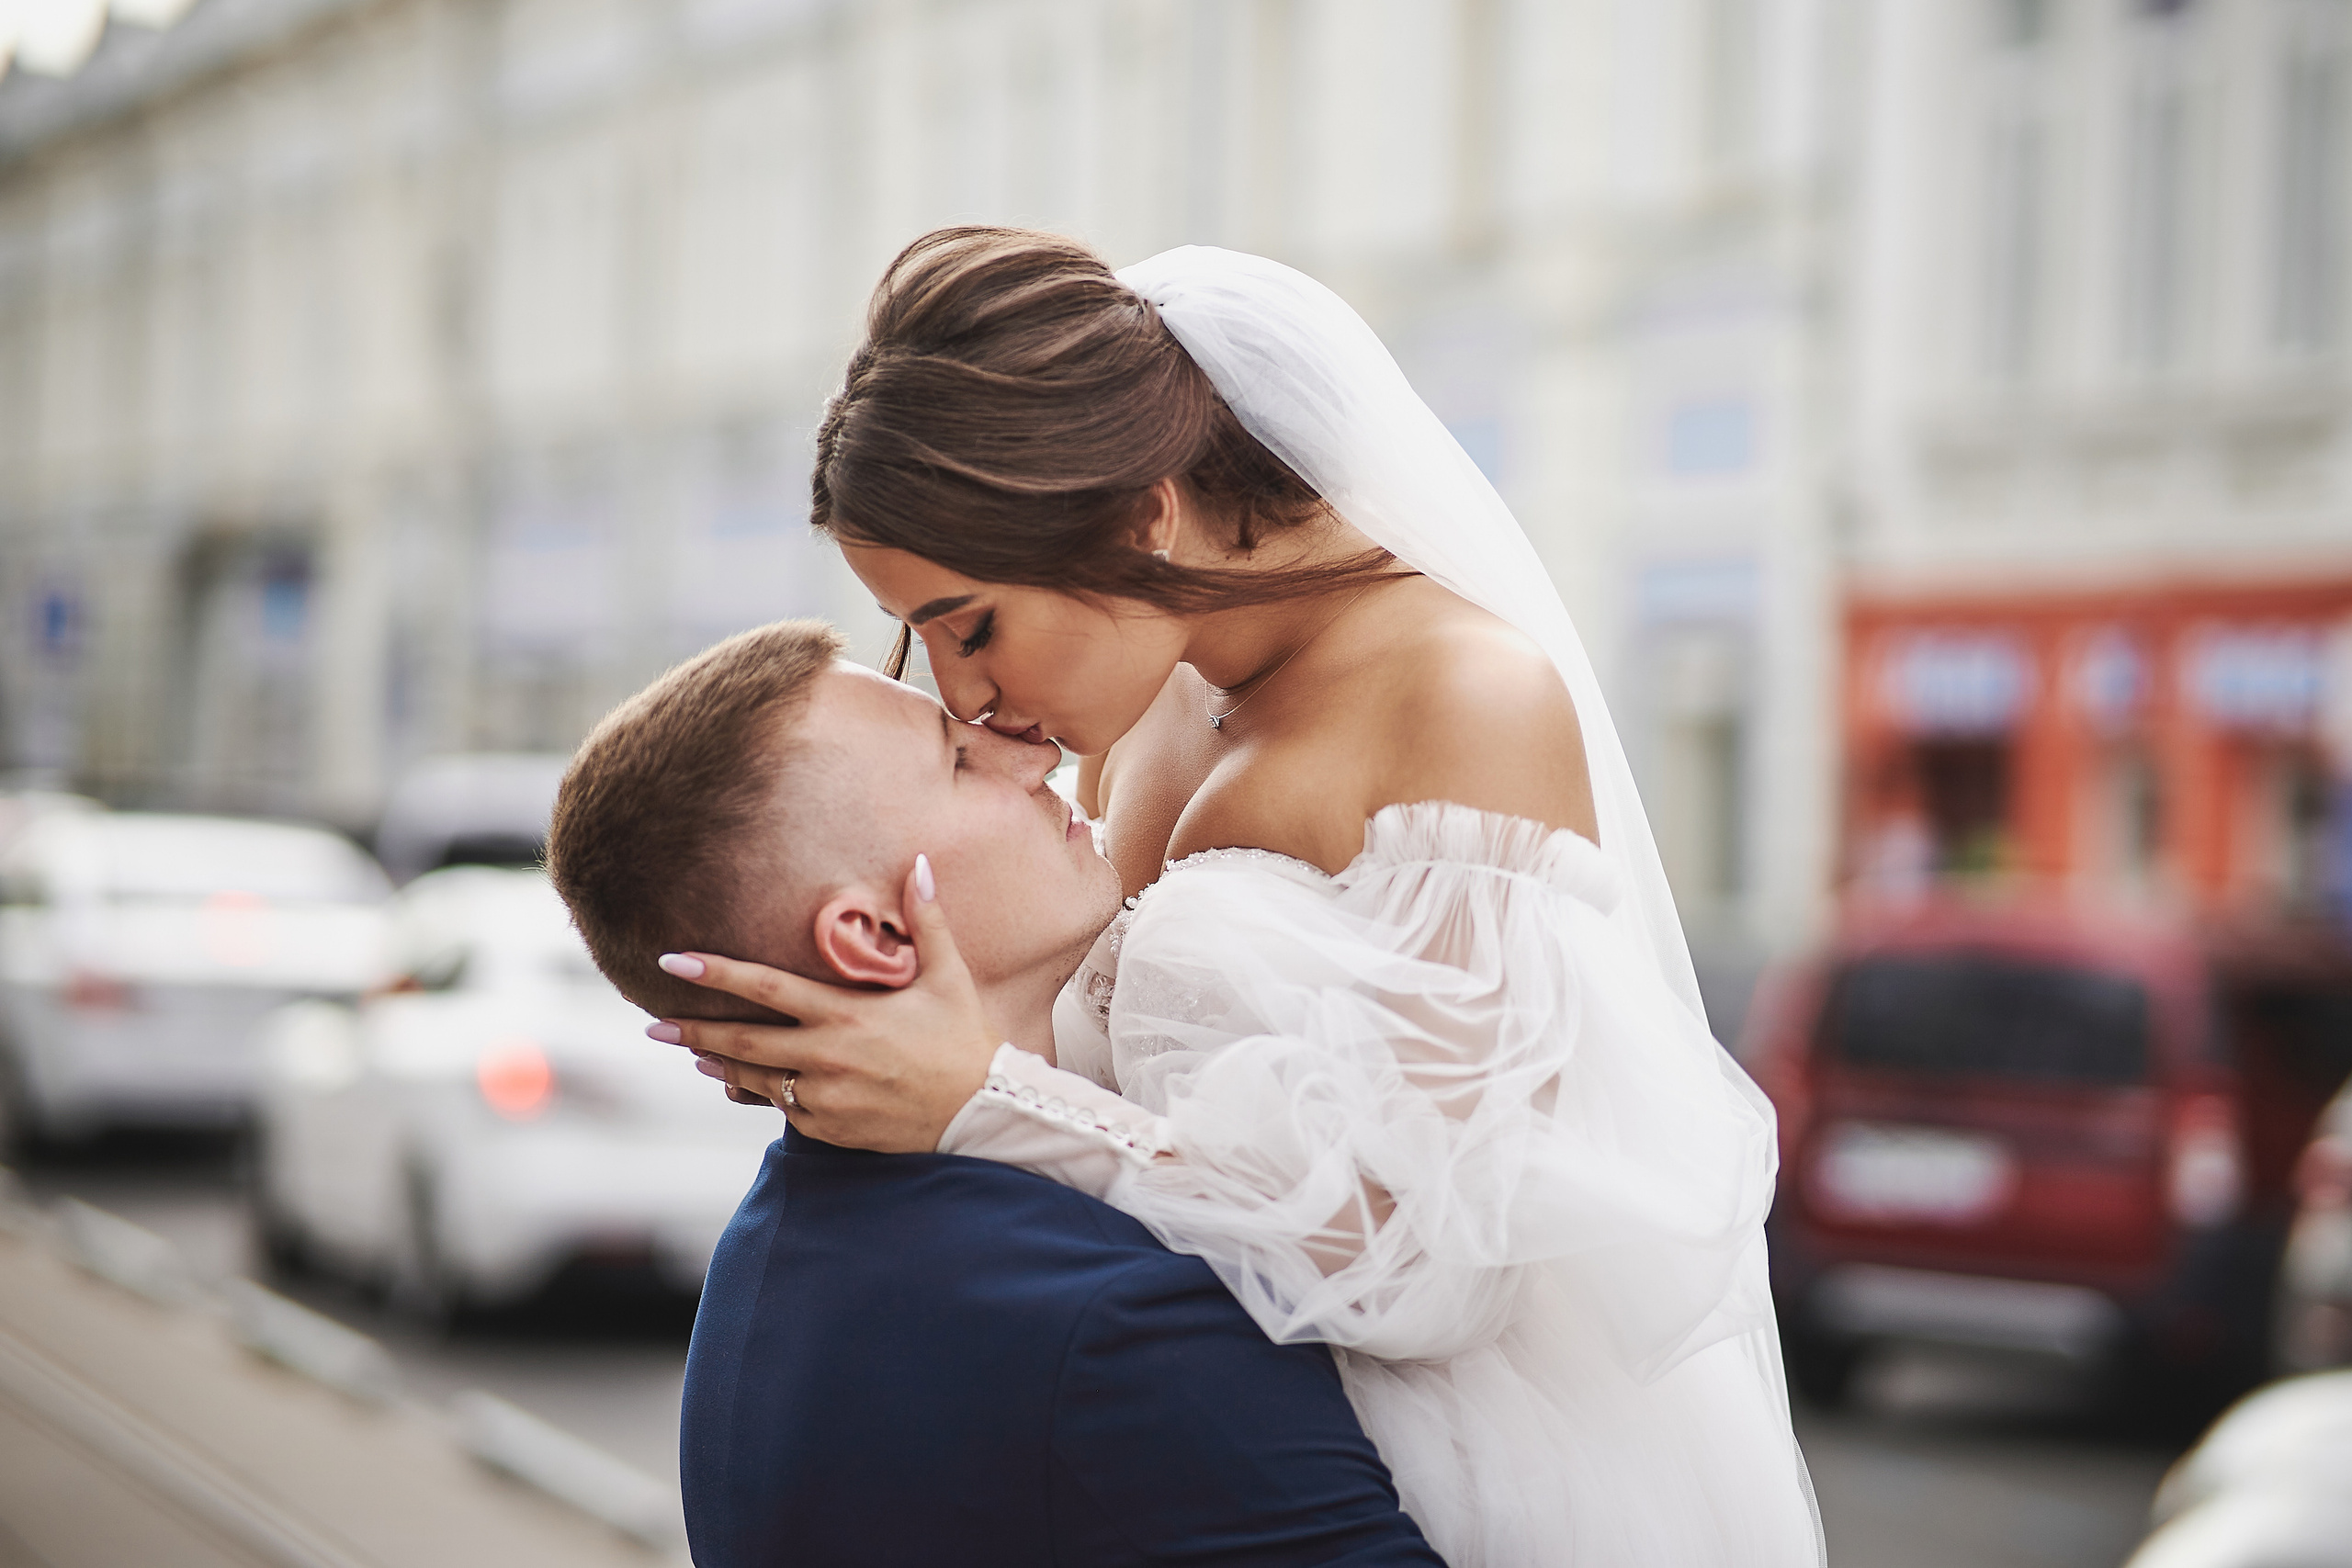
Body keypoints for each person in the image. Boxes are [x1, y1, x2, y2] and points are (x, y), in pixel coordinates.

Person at [648, 231, 1825, 1566]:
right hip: (1165, 1422)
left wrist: (985, 1101)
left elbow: (1439, 1257)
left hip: (1439, 1470)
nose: (959, 694)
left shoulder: (1465, 696)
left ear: (1138, 516)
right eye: (921, 639)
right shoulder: (1140, 697)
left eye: (971, 624)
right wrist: (851, 1034)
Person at [544, 620, 1444, 1568]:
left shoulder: (758, 1263)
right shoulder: (1113, 1312)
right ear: (875, 935)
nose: (1030, 749)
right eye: (958, 759)